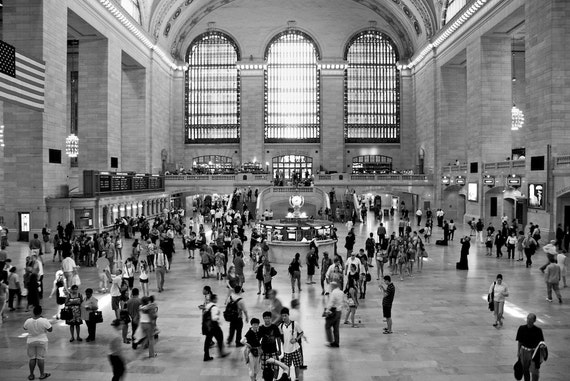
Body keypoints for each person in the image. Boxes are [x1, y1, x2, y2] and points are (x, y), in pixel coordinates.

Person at [23, 305, 52, 380]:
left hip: (31, 341)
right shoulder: (44, 320)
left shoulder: (28, 320)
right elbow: (50, 329)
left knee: (32, 358)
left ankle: (31, 375)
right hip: (42, 341)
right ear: (40, 312)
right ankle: (42, 374)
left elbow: (24, 328)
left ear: (33, 312)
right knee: (40, 358)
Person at [516, 313, 545, 381]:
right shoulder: (522, 328)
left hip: (534, 353)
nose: (528, 321)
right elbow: (519, 341)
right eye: (528, 319)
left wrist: (542, 352)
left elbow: (541, 342)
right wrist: (518, 351)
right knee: (525, 370)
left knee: (535, 371)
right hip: (524, 352)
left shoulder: (538, 330)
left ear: (534, 321)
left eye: (530, 319)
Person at [279, 307, 304, 381]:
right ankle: (288, 378)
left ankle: (296, 378)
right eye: (282, 316)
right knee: (287, 366)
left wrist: (296, 339)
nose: (284, 317)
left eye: (285, 315)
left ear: (288, 315)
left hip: (295, 349)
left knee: (297, 365)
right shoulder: (280, 326)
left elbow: (301, 332)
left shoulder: (295, 324)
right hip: (286, 350)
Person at [202, 294, 228, 361]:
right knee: (220, 337)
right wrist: (218, 319)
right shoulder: (214, 307)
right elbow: (214, 318)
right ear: (213, 299)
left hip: (207, 326)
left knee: (207, 341)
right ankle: (221, 353)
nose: (217, 299)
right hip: (214, 326)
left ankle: (206, 355)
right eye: (216, 298)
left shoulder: (208, 305)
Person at [258, 311, 282, 377]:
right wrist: (259, 349)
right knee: (265, 368)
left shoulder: (274, 327)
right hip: (264, 352)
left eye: (268, 318)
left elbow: (278, 339)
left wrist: (279, 349)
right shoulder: (261, 328)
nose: (267, 319)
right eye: (265, 318)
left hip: (274, 351)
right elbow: (258, 340)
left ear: (271, 318)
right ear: (263, 319)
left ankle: (275, 379)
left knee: (276, 367)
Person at [324, 281, 343, 347]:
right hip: (339, 311)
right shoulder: (341, 292)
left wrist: (327, 310)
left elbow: (331, 302)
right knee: (336, 328)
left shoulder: (334, 293)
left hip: (333, 311)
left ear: (333, 286)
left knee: (327, 326)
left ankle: (330, 341)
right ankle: (336, 342)